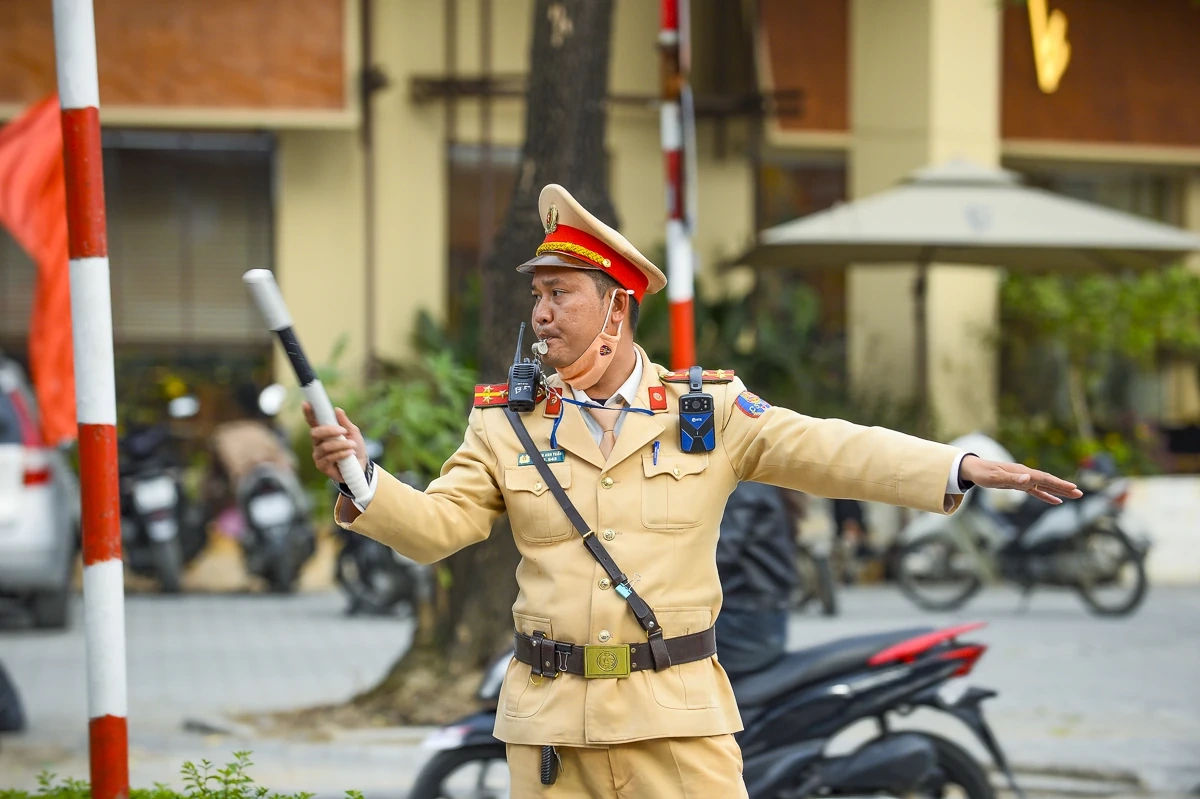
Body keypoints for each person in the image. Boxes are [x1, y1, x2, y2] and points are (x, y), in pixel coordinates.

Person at [306, 184, 1081, 798]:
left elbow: (832, 449)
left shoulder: (704, 412)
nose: (540, 314)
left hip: (675, 730)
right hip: (550, 737)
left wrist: (959, 467)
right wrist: (360, 479)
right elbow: (440, 527)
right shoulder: (506, 425)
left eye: (560, 294)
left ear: (616, 306)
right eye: (536, 295)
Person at [714, 482, 801, 677]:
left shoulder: (745, 487)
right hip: (760, 616)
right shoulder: (761, 485)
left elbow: (719, 553)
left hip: (743, 619)